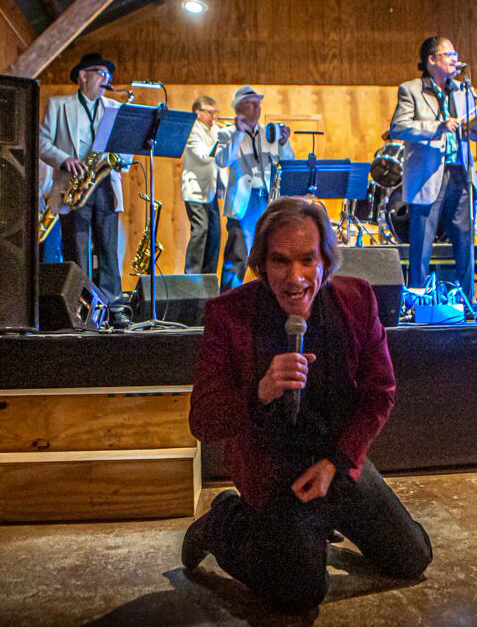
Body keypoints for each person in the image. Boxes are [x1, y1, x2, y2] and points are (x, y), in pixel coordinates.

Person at [181, 197, 432, 613]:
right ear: (261, 263)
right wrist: (260, 391)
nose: (295, 278)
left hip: (335, 461)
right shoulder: (229, 316)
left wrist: (336, 462)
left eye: (307, 260)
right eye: (280, 261)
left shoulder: (357, 301)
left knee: (412, 558)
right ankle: (223, 522)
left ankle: (317, 522)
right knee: (300, 593)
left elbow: (379, 393)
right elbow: (203, 420)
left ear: (326, 260)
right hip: (274, 472)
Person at [390, 36, 477, 303]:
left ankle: (467, 302)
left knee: (464, 242)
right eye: (448, 55)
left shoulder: (463, 90)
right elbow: (398, 127)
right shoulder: (410, 89)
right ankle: (417, 301)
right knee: (421, 244)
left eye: (455, 54)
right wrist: (437, 126)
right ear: (431, 60)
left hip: (460, 172)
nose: (454, 60)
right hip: (428, 175)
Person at [38, 52, 130, 327]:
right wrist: (64, 159)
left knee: (107, 248)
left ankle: (114, 307)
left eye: (108, 76)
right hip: (73, 184)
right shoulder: (58, 105)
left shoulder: (114, 107)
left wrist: (120, 158)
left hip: (104, 184)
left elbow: (124, 147)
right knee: (75, 249)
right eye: (101, 73)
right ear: (83, 76)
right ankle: (78, 306)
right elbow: (42, 142)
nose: (106, 80)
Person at [215, 86, 294, 291]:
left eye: (259, 103)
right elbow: (222, 160)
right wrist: (238, 135)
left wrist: (284, 143)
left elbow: (287, 162)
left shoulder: (268, 133)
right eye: (252, 103)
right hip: (243, 201)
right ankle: (228, 298)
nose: (258, 107)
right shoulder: (227, 134)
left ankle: (269, 296)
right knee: (238, 254)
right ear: (240, 107)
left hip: (266, 199)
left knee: (271, 251)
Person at [181, 96, 226, 274]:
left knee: (215, 233)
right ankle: (191, 275)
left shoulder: (214, 129)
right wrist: (224, 140)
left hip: (211, 190)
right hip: (195, 192)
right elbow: (204, 157)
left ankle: (208, 277)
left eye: (216, 112)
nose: (214, 117)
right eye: (210, 112)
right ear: (197, 113)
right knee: (200, 231)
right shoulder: (192, 131)